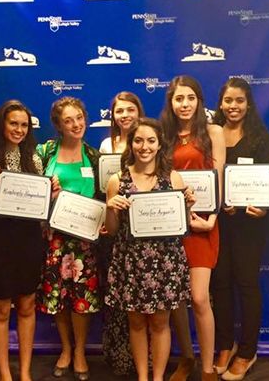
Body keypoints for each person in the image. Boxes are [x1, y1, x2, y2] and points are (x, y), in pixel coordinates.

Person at [0, 100, 57, 381]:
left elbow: (41, 212)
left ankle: (26, 373)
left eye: (24, 125)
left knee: (27, 305)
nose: (19, 130)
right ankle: (6, 374)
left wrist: (50, 194)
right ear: (1, 125)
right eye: (13, 123)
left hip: (28, 241)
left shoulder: (34, 160)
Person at [104, 117, 194, 381]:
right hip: (130, 261)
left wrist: (187, 206)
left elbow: (183, 227)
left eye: (151, 141)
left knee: (160, 323)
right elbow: (110, 230)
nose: (145, 146)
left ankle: (157, 378)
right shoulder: (116, 181)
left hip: (165, 261)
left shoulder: (173, 178)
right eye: (138, 140)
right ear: (130, 144)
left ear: (159, 145)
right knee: (136, 322)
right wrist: (111, 207)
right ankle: (143, 377)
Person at [160, 75, 225, 381]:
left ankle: (208, 368)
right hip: (171, 225)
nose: (184, 104)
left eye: (190, 98)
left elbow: (218, 176)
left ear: (199, 101)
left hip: (202, 223)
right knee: (175, 299)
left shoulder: (213, 132)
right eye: (178, 99)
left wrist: (213, 217)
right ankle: (186, 358)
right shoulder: (162, 135)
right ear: (170, 103)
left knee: (199, 298)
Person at [210, 78, 269, 380]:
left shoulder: (261, 138)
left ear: (248, 104)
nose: (233, 107)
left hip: (250, 225)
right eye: (228, 101)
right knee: (219, 283)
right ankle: (225, 345)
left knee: (247, 284)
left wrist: (263, 206)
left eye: (239, 101)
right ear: (220, 103)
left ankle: (247, 350)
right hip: (216, 223)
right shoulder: (210, 134)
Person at [36, 96, 101, 381]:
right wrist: (46, 192)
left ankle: (80, 352)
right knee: (58, 297)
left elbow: (105, 196)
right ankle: (65, 348)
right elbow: (28, 188)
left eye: (79, 118)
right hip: (55, 239)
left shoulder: (95, 155)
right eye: (68, 121)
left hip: (84, 241)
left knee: (81, 300)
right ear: (58, 126)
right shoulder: (45, 151)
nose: (76, 124)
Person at [98, 91, 145, 376]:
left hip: (144, 230)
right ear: (112, 116)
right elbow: (104, 186)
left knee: (143, 299)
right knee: (118, 297)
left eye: (130, 109)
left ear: (139, 112)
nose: (125, 115)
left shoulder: (148, 140)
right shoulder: (106, 144)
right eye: (119, 111)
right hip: (115, 227)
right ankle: (120, 356)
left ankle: (145, 358)